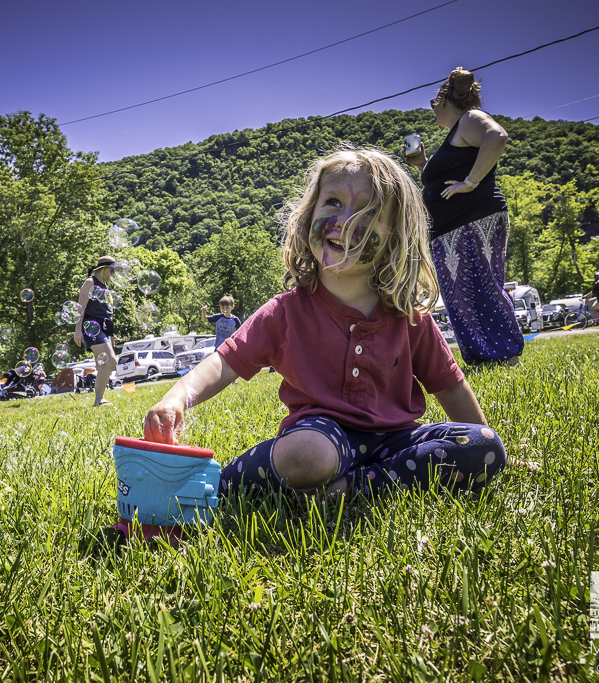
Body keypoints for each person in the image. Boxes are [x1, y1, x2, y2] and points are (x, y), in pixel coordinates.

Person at [145, 145, 521, 499]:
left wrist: (488, 442)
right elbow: (223, 364)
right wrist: (177, 398)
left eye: (369, 213)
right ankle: (226, 484)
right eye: (333, 203)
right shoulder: (286, 311)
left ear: (394, 240)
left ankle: (347, 489)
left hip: (398, 441)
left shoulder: (409, 317)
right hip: (322, 437)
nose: (344, 221)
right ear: (309, 215)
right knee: (307, 455)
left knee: (484, 446)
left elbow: (450, 387)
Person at [403, 67, 522, 367]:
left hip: (472, 220)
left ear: (446, 100)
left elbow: (497, 137)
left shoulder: (469, 119)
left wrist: (469, 183)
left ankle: (505, 356)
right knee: (463, 295)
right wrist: (423, 165)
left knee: (481, 287)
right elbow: (444, 180)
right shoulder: (458, 132)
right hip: (454, 226)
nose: (431, 108)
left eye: (433, 101)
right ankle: (486, 358)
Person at [74, 255, 119, 406]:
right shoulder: (90, 282)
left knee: (101, 366)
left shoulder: (105, 287)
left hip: (103, 329)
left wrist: (111, 335)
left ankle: (98, 400)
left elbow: (107, 313)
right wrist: (77, 330)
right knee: (111, 360)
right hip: (91, 328)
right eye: (112, 270)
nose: (113, 274)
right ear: (104, 269)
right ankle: (99, 399)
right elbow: (80, 307)